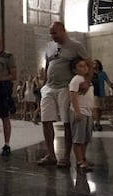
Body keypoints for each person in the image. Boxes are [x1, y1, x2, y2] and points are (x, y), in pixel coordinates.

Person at [37, 21, 92, 167]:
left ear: (63, 31)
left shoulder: (76, 46)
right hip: (49, 87)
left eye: (54, 33)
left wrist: (87, 81)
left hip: (65, 88)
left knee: (67, 122)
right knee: (45, 120)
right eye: (51, 33)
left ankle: (66, 157)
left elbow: (90, 64)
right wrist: (43, 83)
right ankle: (51, 155)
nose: (52, 36)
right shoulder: (50, 46)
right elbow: (48, 65)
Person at [69, 56, 94, 172]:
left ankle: (83, 157)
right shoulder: (76, 79)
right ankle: (79, 160)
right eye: (81, 66)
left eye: (85, 66)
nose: (84, 68)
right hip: (80, 111)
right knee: (78, 138)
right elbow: (73, 96)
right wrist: (77, 111)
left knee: (85, 138)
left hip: (88, 112)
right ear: (75, 69)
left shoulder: (87, 80)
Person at [92, 59, 112, 131]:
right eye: (93, 63)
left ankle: (98, 121)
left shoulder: (103, 73)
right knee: (95, 108)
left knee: (100, 109)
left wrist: (111, 86)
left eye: (96, 63)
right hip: (93, 93)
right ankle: (97, 123)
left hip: (101, 93)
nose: (95, 65)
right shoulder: (90, 73)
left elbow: (108, 81)